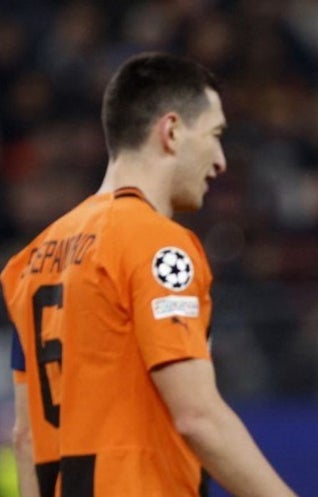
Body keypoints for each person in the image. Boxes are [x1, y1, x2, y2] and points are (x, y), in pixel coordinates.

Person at [1, 53, 298, 497]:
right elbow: (198, 416)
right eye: (215, 136)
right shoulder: (158, 245)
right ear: (171, 131)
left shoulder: (29, 262)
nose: (221, 161)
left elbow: (26, 438)